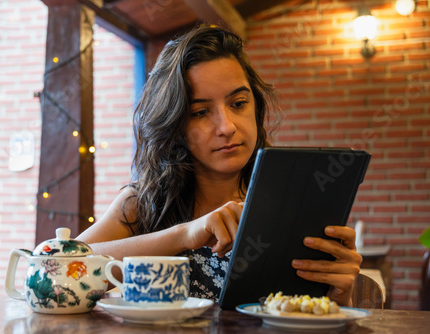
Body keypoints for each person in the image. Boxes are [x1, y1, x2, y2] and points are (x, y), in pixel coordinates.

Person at [77, 26, 362, 307]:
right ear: (175, 125)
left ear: (256, 107)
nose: (226, 127)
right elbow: (58, 265)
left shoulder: (293, 205)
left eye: (238, 103)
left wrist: (338, 297)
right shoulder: (144, 203)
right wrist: (185, 234)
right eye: (200, 112)